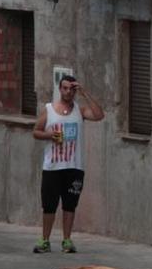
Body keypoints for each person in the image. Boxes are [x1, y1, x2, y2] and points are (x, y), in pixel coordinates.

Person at [31, 75, 104, 253]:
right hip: (53, 167)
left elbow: (99, 115)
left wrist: (85, 92)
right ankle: (45, 240)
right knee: (49, 205)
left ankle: (67, 240)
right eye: (65, 88)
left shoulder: (80, 111)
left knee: (70, 204)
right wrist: (50, 136)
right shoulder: (49, 110)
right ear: (60, 89)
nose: (68, 92)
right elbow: (36, 131)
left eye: (71, 89)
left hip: (74, 166)